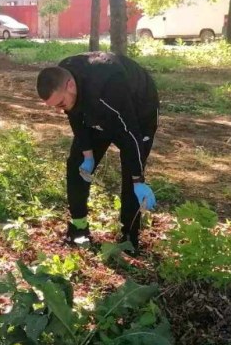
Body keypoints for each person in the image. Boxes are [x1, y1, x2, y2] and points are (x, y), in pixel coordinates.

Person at [36, 52, 159, 254]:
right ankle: (79, 226)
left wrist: (138, 179)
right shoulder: (64, 73)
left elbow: (130, 134)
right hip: (99, 108)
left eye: (60, 104)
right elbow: (74, 115)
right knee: (76, 165)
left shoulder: (109, 85)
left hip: (137, 112)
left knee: (131, 175)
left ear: (70, 86)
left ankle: (129, 238)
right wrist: (87, 155)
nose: (60, 110)